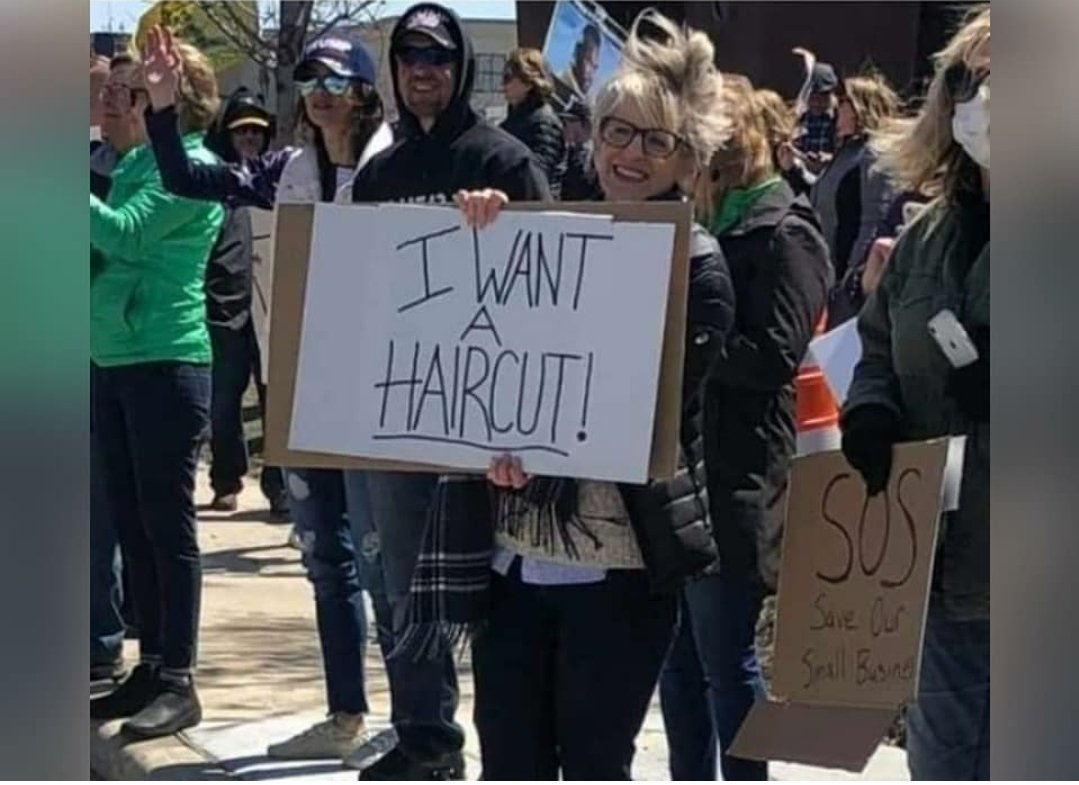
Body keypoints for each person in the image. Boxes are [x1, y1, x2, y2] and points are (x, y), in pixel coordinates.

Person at [408, 9, 734, 779]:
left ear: (687, 161)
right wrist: (480, 228)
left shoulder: (697, 268)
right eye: (617, 130)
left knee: (591, 762)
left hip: (615, 566)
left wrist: (541, 445)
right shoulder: (540, 234)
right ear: (589, 134)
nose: (630, 153)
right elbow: (479, 351)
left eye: (658, 141)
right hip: (511, 556)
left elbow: (642, 411)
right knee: (510, 762)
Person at [141, 27, 398, 763]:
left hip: (381, 394)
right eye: (311, 80)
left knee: (385, 564)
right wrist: (163, 110)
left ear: (362, 91)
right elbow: (187, 179)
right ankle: (344, 710)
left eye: (337, 81)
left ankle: (414, 719)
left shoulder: (393, 169)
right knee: (325, 556)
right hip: (303, 386)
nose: (321, 93)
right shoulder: (284, 170)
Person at [346, 3, 550, 779]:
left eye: (435, 57)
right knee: (402, 586)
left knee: (493, 589)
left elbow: (551, 278)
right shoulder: (378, 175)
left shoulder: (503, 162)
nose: (421, 70)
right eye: (407, 58)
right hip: (398, 413)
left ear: (461, 66)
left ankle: (511, 745)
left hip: (491, 421)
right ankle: (425, 739)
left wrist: (506, 225)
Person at [658, 73, 833, 781]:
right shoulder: (697, 224)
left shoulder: (787, 231)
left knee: (725, 663)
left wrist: (683, 344)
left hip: (739, 473)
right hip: (681, 468)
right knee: (678, 664)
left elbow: (772, 356)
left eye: (703, 145)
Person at [841, 7, 990, 780]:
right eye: (978, 82)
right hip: (938, 566)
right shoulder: (925, 235)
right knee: (942, 762)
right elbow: (875, 342)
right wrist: (870, 407)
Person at [88, 45, 224, 738]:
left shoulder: (185, 166)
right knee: (132, 521)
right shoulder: (133, 163)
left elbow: (127, 237)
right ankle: (150, 662)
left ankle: (180, 677)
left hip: (167, 361)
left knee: (168, 528)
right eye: (115, 91)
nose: (117, 102)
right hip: (113, 358)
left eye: (134, 92)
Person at [197, 89, 287, 517]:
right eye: (241, 131)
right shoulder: (213, 183)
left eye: (257, 131)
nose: (249, 138)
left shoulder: (279, 184)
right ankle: (226, 481)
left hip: (273, 308)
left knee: (276, 397)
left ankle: (279, 487)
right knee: (224, 398)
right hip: (225, 308)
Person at [809, 73, 900, 325]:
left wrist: (853, 275)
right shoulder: (846, 151)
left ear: (860, 109)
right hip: (830, 271)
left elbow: (874, 220)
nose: (837, 111)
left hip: (850, 279)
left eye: (844, 105)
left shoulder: (874, 153)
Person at [500, 47, 566, 198]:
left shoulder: (544, 122)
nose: (503, 85)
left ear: (529, 82)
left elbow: (538, 173)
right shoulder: (512, 121)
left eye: (508, 78)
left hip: (537, 211)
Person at [794, 60, 838, 172]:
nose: (816, 103)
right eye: (812, 97)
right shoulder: (797, 119)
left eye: (823, 97)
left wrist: (831, 159)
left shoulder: (840, 119)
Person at [558, 96, 601, 201]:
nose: (565, 126)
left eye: (571, 121)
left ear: (586, 123)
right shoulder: (569, 152)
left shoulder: (594, 156)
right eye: (564, 121)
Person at [559, 21, 601, 99]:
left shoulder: (587, 101)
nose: (591, 73)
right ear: (577, 53)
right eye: (589, 61)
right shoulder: (561, 82)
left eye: (594, 66)